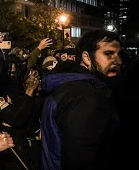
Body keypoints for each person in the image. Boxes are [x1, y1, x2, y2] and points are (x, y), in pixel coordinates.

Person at [41, 30, 122, 170]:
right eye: (108, 54)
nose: (118, 61)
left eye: (119, 54)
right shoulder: (84, 95)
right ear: (86, 57)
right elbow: (81, 158)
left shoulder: (75, 86)